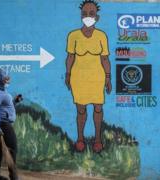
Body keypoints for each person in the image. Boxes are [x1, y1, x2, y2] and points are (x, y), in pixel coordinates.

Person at [65, 0, 112, 153]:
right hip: (78, 78)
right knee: (81, 110)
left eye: (91, 13)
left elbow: (105, 58)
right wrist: (68, 74)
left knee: (98, 108)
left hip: (97, 78)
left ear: (96, 17)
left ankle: (98, 139)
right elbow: (70, 57)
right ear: (80, 15)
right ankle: (80, 139)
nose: (87, 16)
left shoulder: (101, 36)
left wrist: (108, 77)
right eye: (84, 13)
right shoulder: (73, 36)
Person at [0, 68, 22, 180]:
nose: (7, 80)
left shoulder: (1, 90)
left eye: (7, 77)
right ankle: (14, 176)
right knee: (13, 147)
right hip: (2, 124)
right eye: (4, 77)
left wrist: (15, 101)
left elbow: (5, 106)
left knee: (1, 149)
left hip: (3, 122)